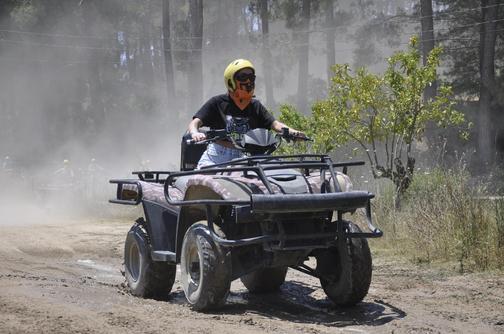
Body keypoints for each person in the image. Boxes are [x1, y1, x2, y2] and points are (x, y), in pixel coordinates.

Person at [187, 58, 305, 168]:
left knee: (274, 177)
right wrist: (195, 133)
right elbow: (195, 123)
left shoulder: (255, 106)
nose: (248, 81)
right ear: (231, 81)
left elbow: (275, 125)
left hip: (247, 156)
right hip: (218, 156)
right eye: (243, 77)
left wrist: (294, 133)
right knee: (201, 182)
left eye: (251, 77)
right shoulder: (217, 103)